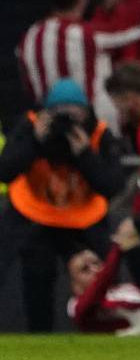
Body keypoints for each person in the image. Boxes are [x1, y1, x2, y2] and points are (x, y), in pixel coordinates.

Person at [0, 79, 132, 332]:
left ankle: (109, 325)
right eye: (60, 115)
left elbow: (112, 185)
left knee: (104, 274)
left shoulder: (97, 133)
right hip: (36, 212)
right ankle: (40, 336)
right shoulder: (30, 126)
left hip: (84, 216)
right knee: (37, 276)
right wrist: (35, 141)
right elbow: (5, 171)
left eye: (74, 114)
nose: (66, 122)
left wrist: (84, 154)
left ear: (86, 113)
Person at [17, 0, 140, 116]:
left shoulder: (29, 38)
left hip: (43, 127)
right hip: (90, 128)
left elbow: (27, 85)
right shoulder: (86, 35)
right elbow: (139, 24)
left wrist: (104, 10)